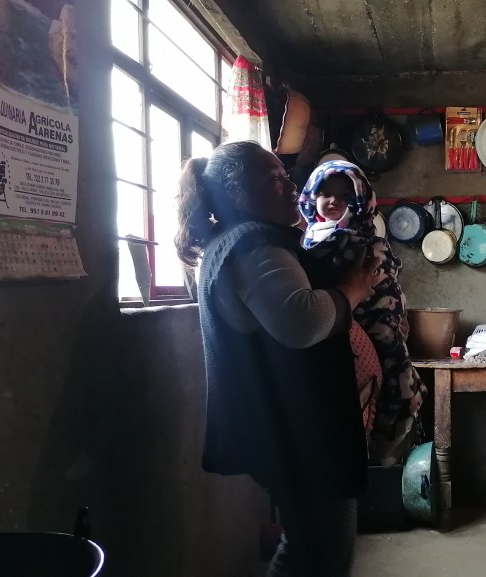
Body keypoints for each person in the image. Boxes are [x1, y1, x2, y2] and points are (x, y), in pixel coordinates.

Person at [174, 140, 383, 577]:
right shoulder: (253, 245)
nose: (291, 187)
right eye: (275, 178)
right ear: (237, 192)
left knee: (306, 547)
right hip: (297, 429)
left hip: (287, 425)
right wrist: (353, 289)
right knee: (322, 554)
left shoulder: (234, 242)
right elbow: (301, 322)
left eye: (286, 177)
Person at [297, 160, 427, 465]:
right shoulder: (306, 241)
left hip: (373, 322)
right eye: (325, 193)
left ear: (359, 201)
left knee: (390, 373)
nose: (333, 201)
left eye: (344, 196)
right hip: (337, 330)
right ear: (311, 197)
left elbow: (386, 285)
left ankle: (384, 458)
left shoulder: (366, 240)